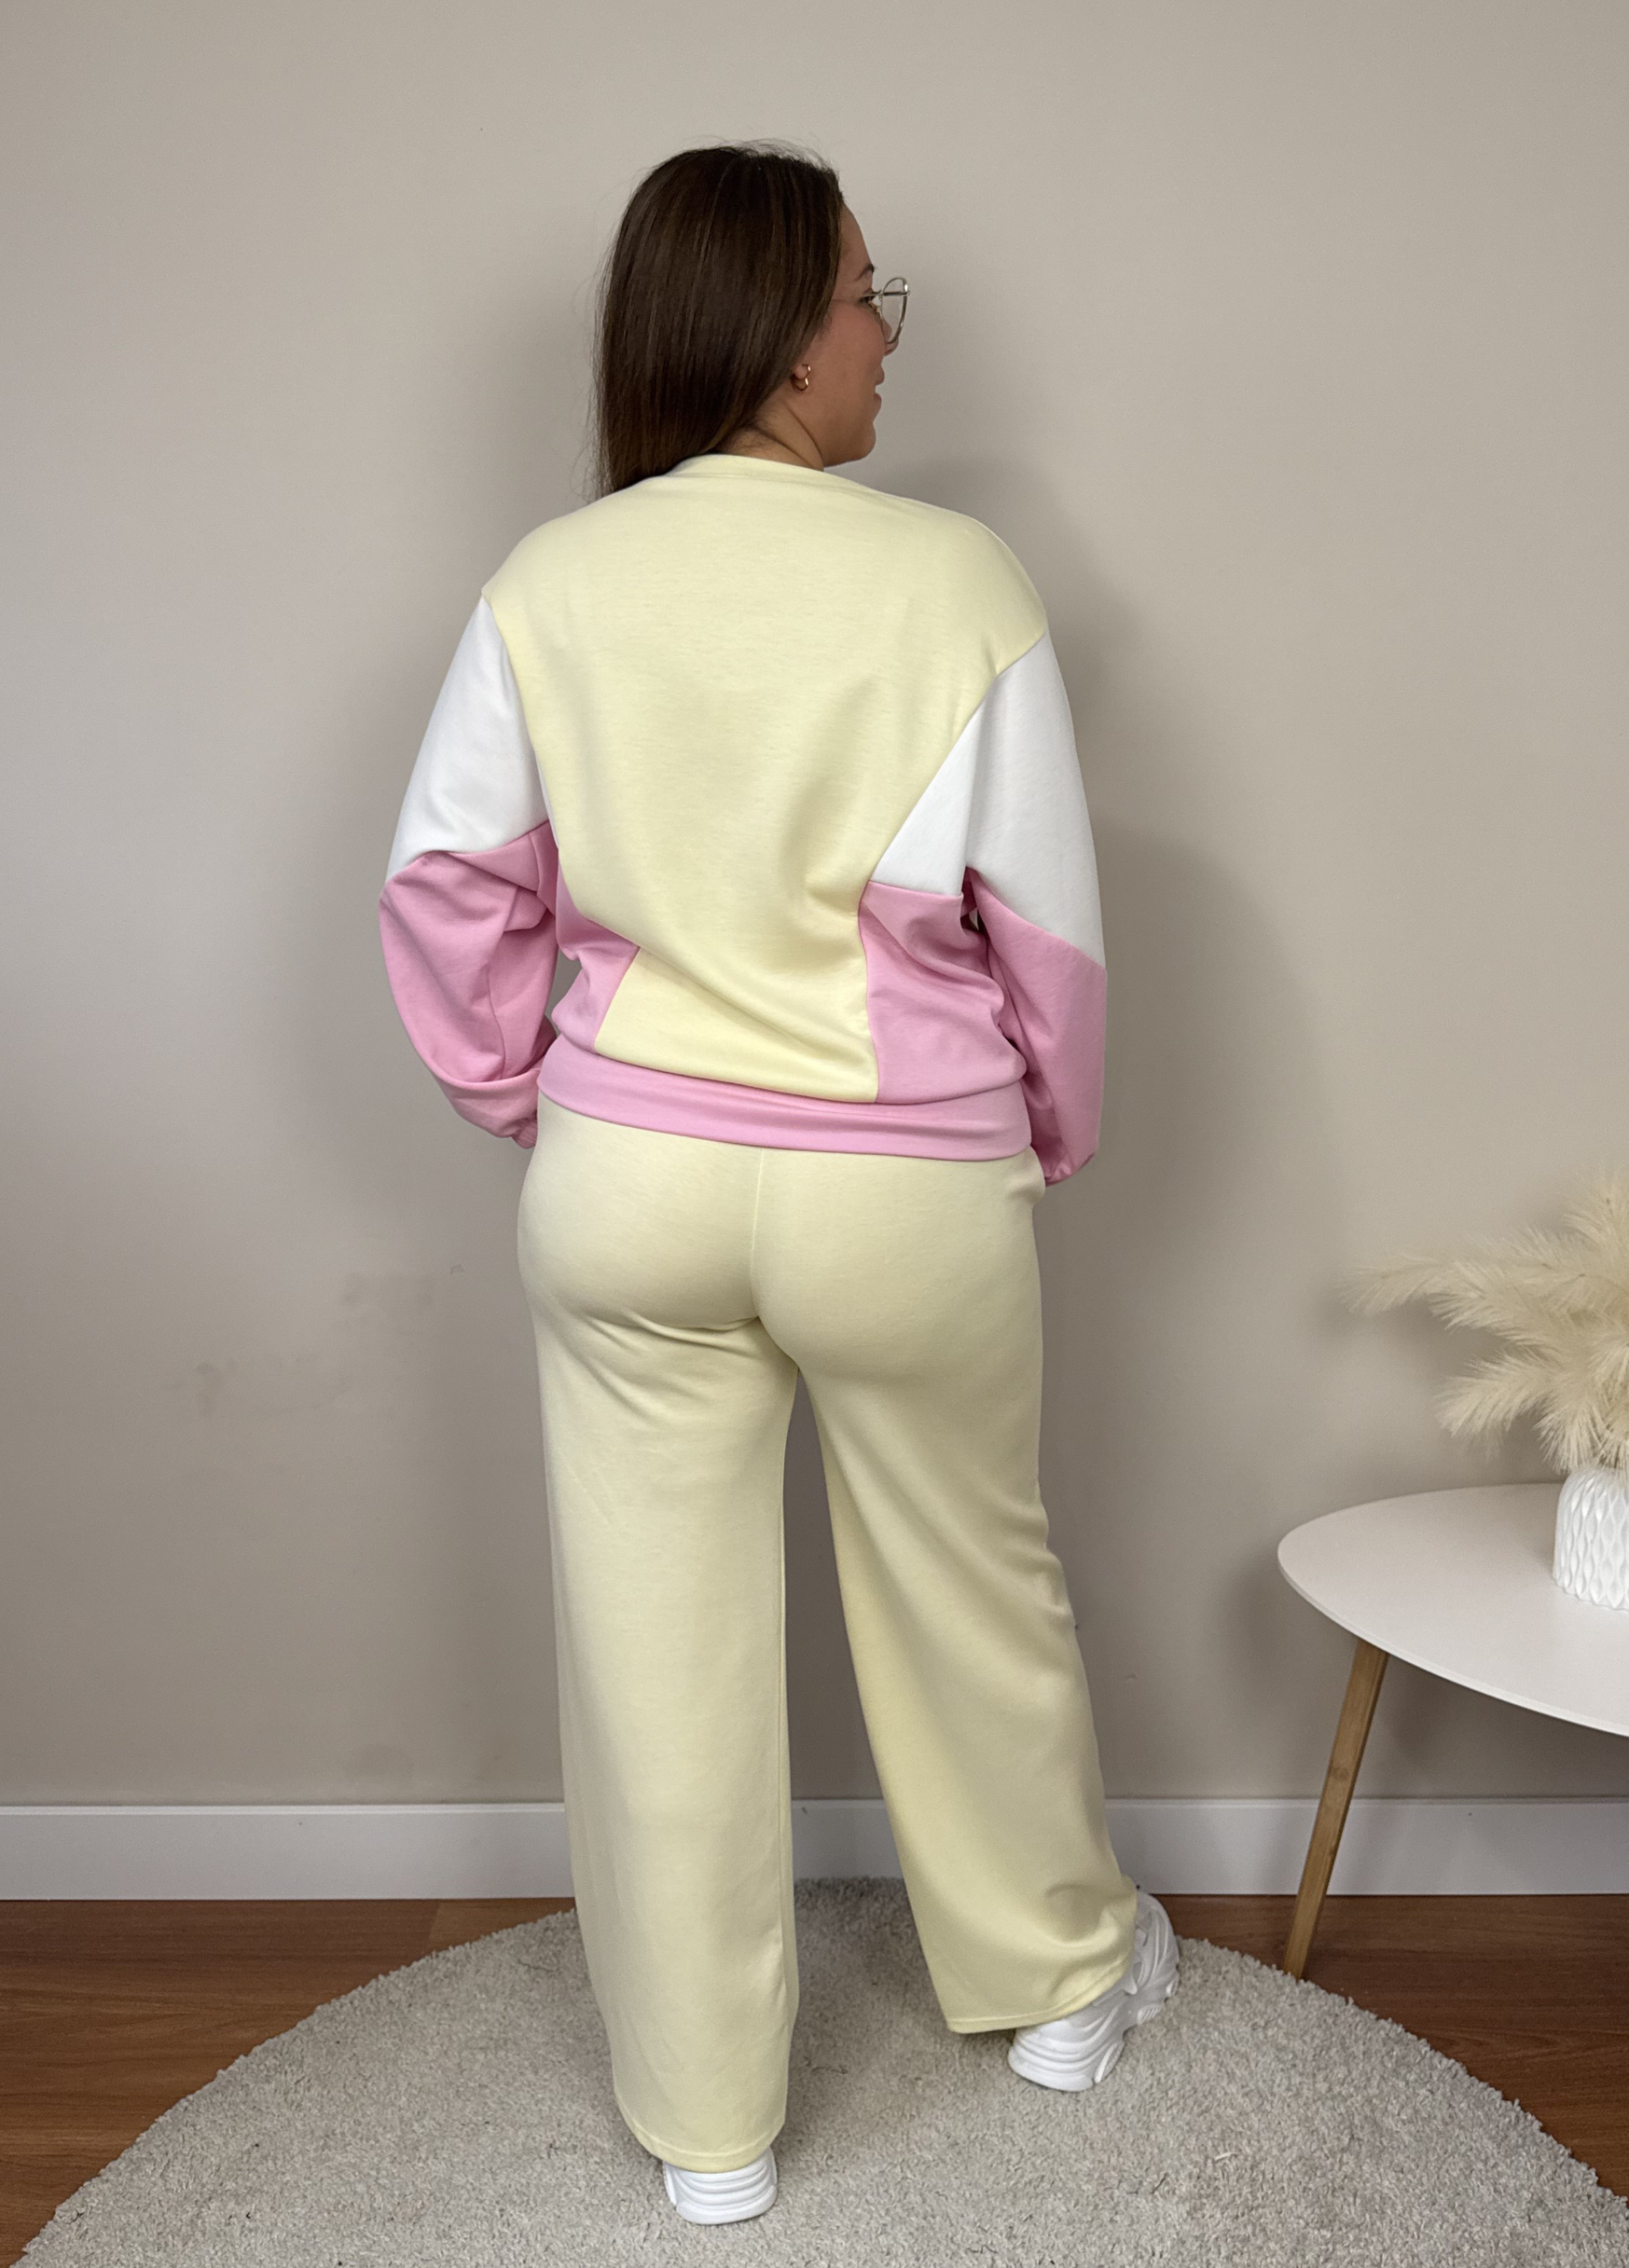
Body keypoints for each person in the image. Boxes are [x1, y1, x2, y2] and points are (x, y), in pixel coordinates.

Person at [378, 141, 1178, 2228]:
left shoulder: (550, 582)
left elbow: (446, 882)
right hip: (898, 1184)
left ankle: (710, 2134)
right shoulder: (957, 581)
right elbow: (1046, 929)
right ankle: (1059, 1993)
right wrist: (1042, 1131)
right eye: (859, 297)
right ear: (771, 329)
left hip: (628, 1172)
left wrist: (526, 1091)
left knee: (654, 1657)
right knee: (970, 1585)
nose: (882, 339)